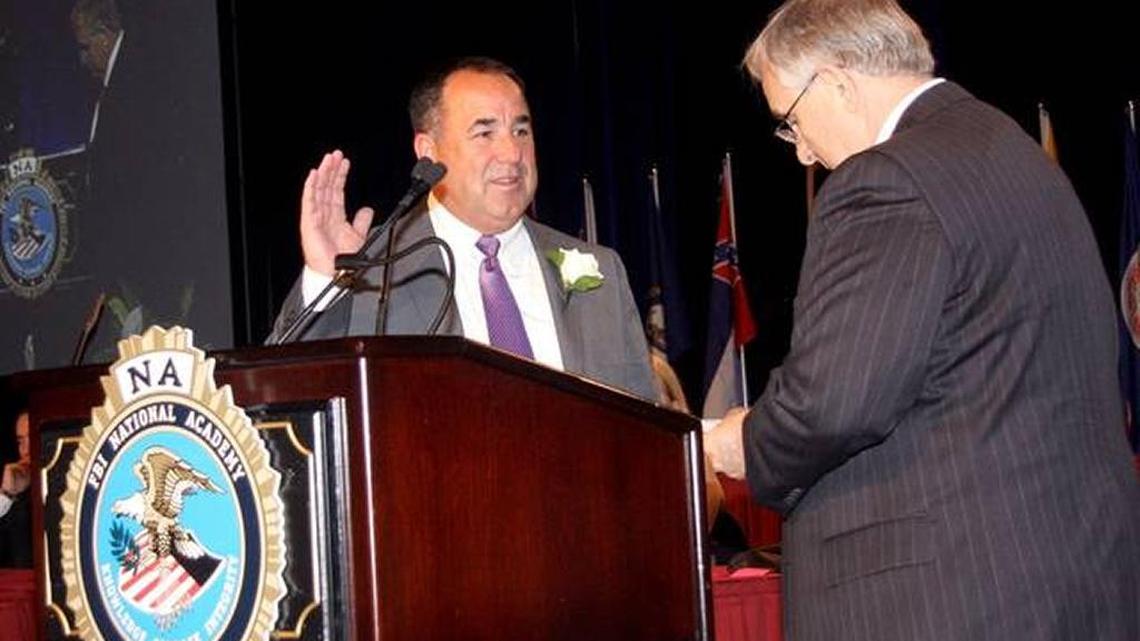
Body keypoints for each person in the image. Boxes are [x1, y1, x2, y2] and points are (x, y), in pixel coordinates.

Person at [702, 1, 1140, 639]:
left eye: (791, 122)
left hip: (952, 598)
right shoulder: (1011, 152)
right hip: (1075, 574)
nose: (803, 154)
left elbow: (831, 407)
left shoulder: (885, 180)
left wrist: (740, 442)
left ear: (838, 84)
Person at [268, 57, 655, 401]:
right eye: (485, 133)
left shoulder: (603, 272)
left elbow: (648, 431)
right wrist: (325, 279)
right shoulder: (375, 271)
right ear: (428, 152)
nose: (512, 153)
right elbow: (283, 392)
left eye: (521, 131)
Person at [0, 411, 31, 568]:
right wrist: (6, 495)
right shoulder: (15, 479)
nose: (26, 449)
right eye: (20, 441)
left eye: (32, 438)